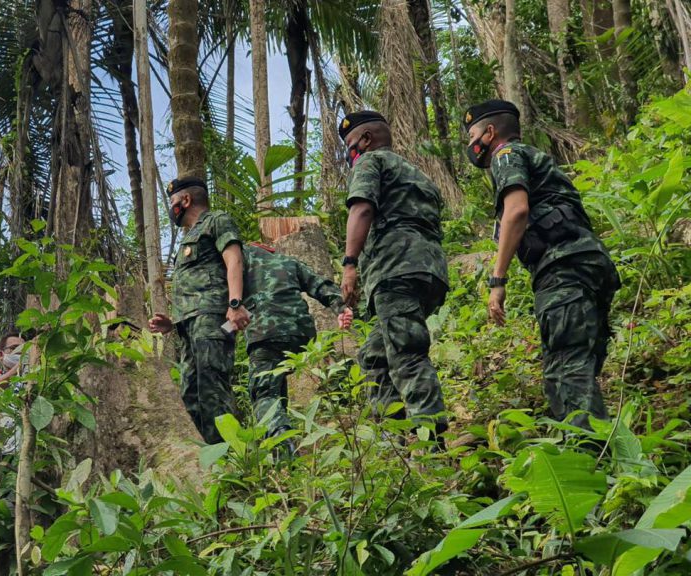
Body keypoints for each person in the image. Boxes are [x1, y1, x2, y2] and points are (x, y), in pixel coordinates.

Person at [463, 99, 619, 429]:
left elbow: (516, 212)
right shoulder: (538, 160)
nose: (471, 144)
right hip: (590, 265)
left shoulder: (506, 156)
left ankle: (588, 461)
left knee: (566, 372)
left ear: (490, 133)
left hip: (563, 269)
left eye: (473, 135)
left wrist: (497, 280)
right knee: (581, 365)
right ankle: (607, 456)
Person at [338, 110, 451, 436]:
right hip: (428, 272)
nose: (349, 152)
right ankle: (394, 439)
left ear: (366, 140)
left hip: (395, 270)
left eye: (349, 144)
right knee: (374, 356)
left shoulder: (369, 163)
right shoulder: (418, 175)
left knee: (407, 356)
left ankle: (434, 445)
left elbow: (361, 208)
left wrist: (350, 265)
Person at [148, 177, 251, 444]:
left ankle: (234, 459)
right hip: (188, 326)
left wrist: (235, 304)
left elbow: (234, 260)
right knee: (191, 396)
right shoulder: (189, 237)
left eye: (172, 202)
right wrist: (173, 322)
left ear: (186, 200)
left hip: (212, 320)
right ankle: (210, 463)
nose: (171, 209)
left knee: (212, 390)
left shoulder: (216, 221)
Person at [242, 244, 349, 443]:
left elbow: (238, 309)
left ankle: (282, 441)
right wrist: (341, 307)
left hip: (266, 333)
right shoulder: (288, 261)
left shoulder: (241, 263)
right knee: (276, 387)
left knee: (264, 393)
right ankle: (281, 454)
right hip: (301, 334)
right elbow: (319, 285)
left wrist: (222, 333)